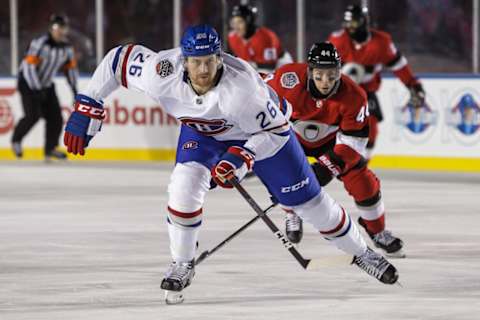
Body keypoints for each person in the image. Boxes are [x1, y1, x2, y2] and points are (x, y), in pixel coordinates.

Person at [63, 25, 398, 304]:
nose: (204, 70)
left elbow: (278, 130)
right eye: (196, 62)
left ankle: (363, 252)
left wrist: (244, 157)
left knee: (309, 204)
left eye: (210, 61)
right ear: (184, 62)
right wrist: (88, 102)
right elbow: (117, 60)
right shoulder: (160, 72)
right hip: (203, 134)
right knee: (183, 186)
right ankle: (181, 263)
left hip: (265, 134)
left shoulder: (243, 91)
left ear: (219, 57)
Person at [265, 42, 404, 258]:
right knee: (286, 174)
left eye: (332, 75)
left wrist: (327, 168)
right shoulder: (286, 79)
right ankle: (292, 212)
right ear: (310, 71)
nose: (326, 82)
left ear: (339, 71)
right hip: (293, 138)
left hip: (332, 145)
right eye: (319, 75)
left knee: (364, 183)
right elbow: (256, 94)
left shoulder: (355, 96)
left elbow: (354, 140)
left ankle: (378, 231)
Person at [328, 4, 425, 159]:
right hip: (340, 91)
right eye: (347, 24)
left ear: (364, 22)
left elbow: (399, 66)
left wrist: (414, 86)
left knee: (371, 124)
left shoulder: (382, 43)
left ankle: (362, 161)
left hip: (366, 92)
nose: (350, 28)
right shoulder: (337, 41)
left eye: (353, 23)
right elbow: (323, 67)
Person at [11, 14, 78, 160]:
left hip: (46, 85)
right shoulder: (40, 43)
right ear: (51, 28)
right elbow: (28, 68)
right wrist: (36, 89)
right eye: (56, 28)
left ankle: (50, 148)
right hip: (27, 83)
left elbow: (70, 70)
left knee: (56, 118)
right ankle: (16, 140)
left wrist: (74, 89)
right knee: (32, 116)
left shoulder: (66, 48)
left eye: (63, 28)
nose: (60, 31)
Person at [228, 4, 293, 73]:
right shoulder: (232, 37)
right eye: (233, 23)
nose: (236, 27)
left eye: (240, 22)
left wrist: (250, 65)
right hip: (254, 67)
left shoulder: (266, 37)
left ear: (249, 22)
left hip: (280, 65)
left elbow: (271, 65)